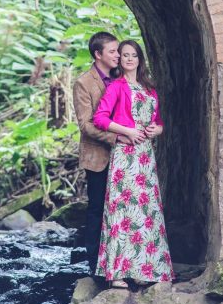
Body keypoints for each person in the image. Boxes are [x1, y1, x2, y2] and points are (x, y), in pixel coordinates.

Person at [92, 40, 174, 289]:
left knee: (146, 212)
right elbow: (100, 118)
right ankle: (117, 273)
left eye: (133, 55)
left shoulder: (149, 88)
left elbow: (158, 122)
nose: (129, 59)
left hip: (145, 156)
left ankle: (142, 269)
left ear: (140, 59)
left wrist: (157, 130)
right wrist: (126, 131)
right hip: (125, 156)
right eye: (125, 55)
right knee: (122, 211)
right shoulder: (116, 86)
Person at [72, 31, 121, 278]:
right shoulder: (84, 83)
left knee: (122, 207)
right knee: (97, 208)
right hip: (98, 156)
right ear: (98, 54)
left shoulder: (122, 77)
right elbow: (85, 125)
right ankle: (94, 263)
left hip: (125, 155)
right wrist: (115, 137)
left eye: (118, 50)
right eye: (112, 51)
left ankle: (121, 259)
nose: (118, 55)